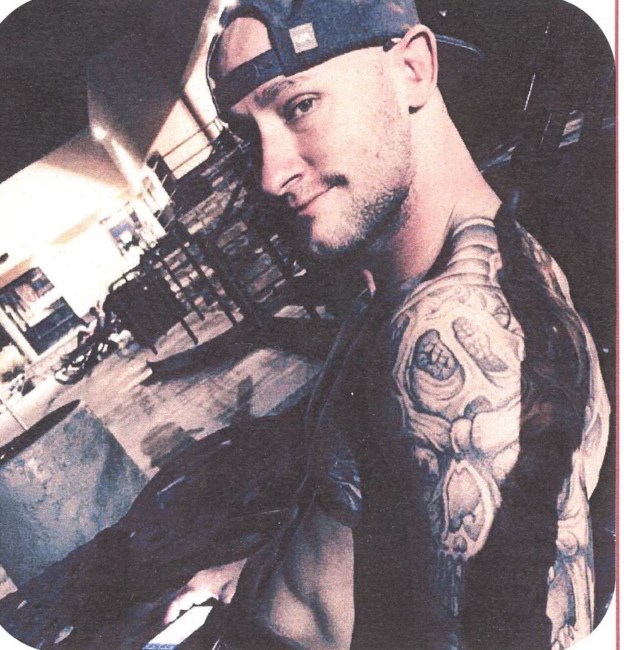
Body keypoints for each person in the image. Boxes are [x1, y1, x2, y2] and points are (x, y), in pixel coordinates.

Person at [163, 1, 610, 648]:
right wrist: (252, 576)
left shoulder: (453, 335)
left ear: (413, 70)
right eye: (249, 135)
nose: (269, 174)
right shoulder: (413, 280)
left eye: (298, 106)